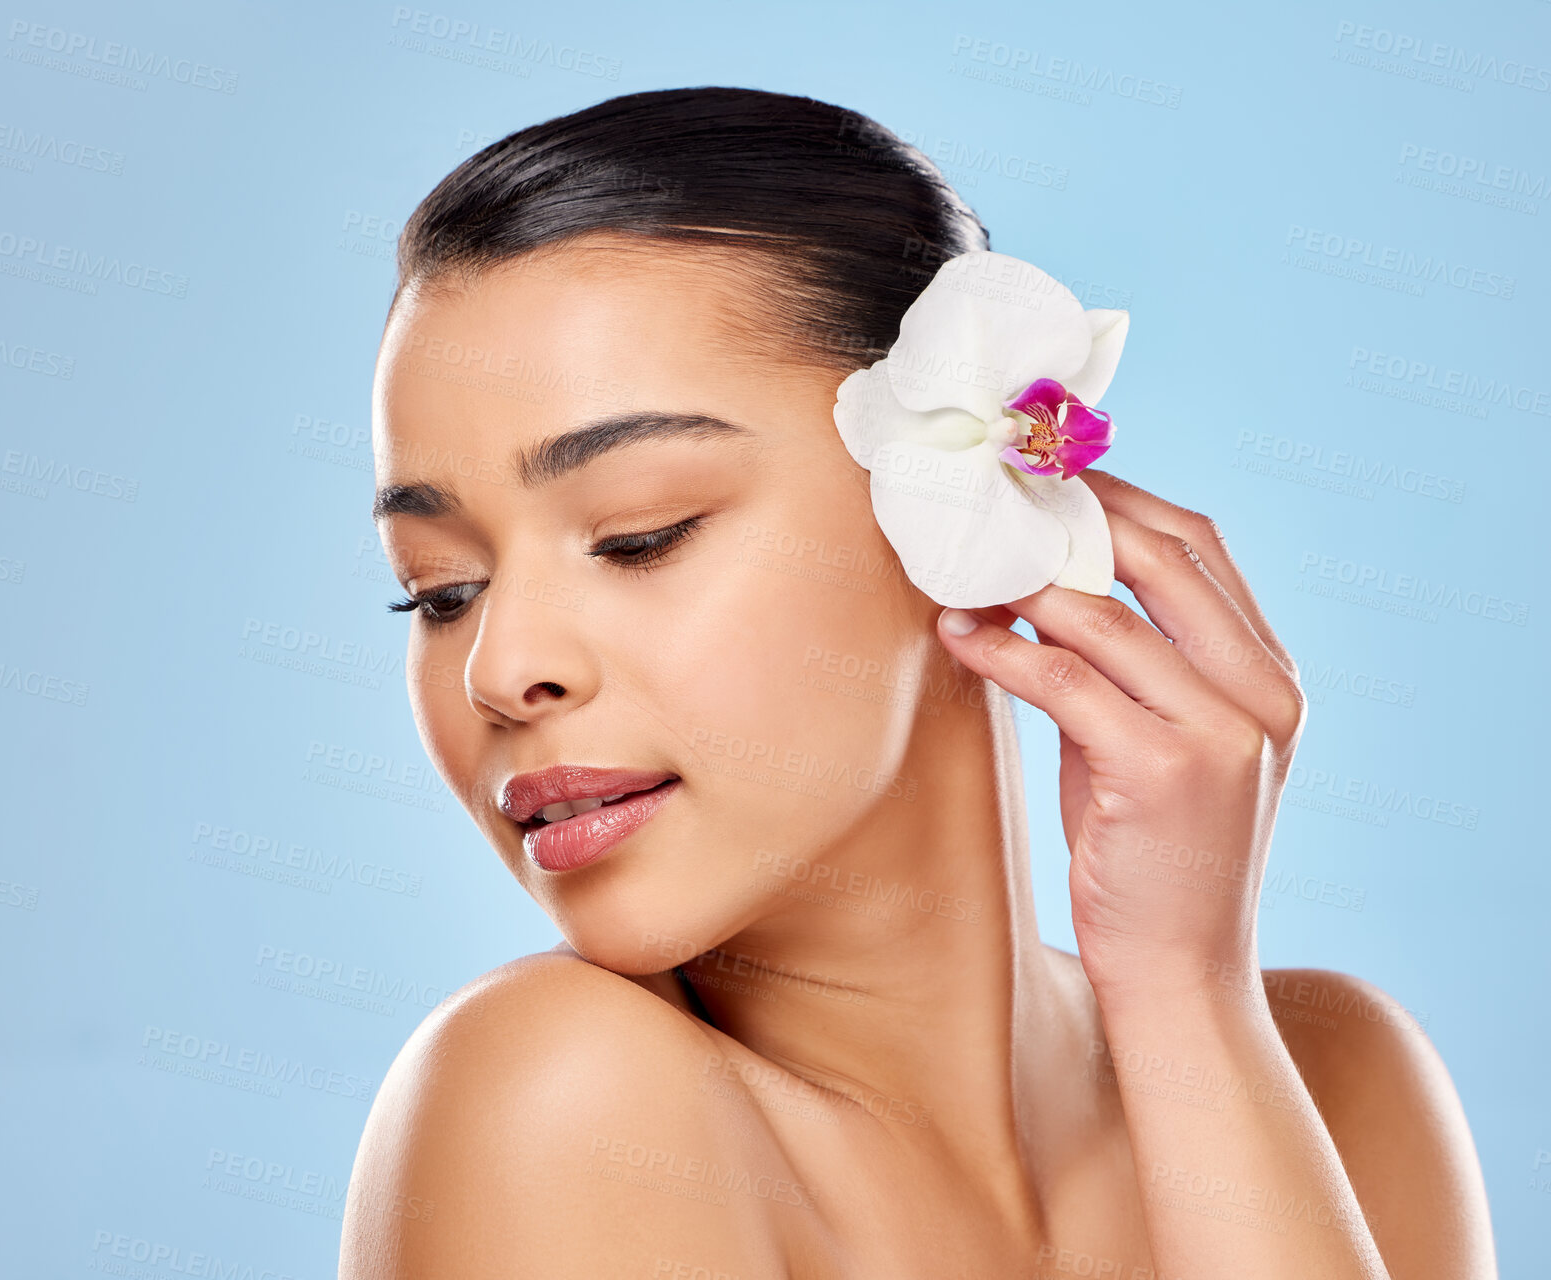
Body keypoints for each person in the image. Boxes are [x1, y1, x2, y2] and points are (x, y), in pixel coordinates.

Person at [337, 87, 1495, 1279]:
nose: (502, 668)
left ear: (957, 510)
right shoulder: (560, 1098)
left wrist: (1186, 999)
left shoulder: (1341, 1085)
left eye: (641, 533)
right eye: (438, 591)